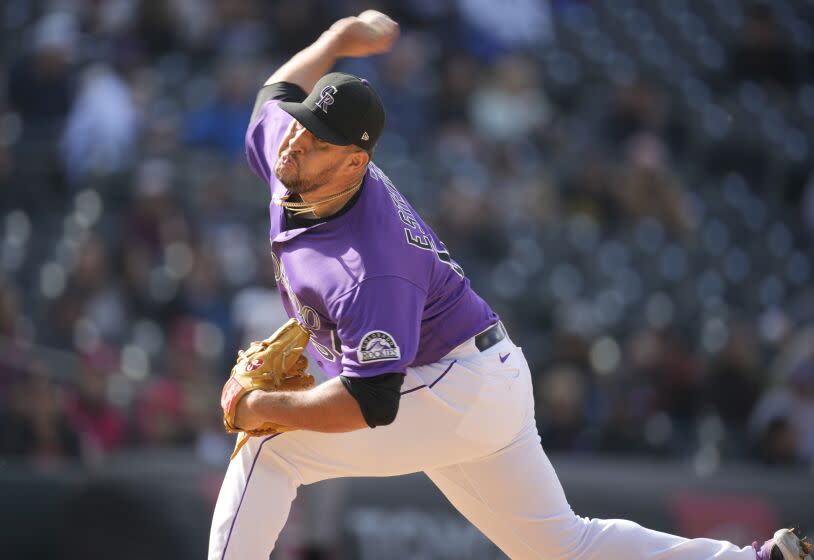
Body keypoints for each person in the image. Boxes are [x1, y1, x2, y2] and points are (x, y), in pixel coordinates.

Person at [208, 11, 812, 560]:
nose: (296, 141)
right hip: (480, 374)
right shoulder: (292, 153)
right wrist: (336, 41)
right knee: (560, 547)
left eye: (317, 140)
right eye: (302, 125)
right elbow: (275, 93)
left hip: (449, 383)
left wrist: (257, 406)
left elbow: (372, 403)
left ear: (354, 163)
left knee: (269, 447)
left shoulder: (368, 266)